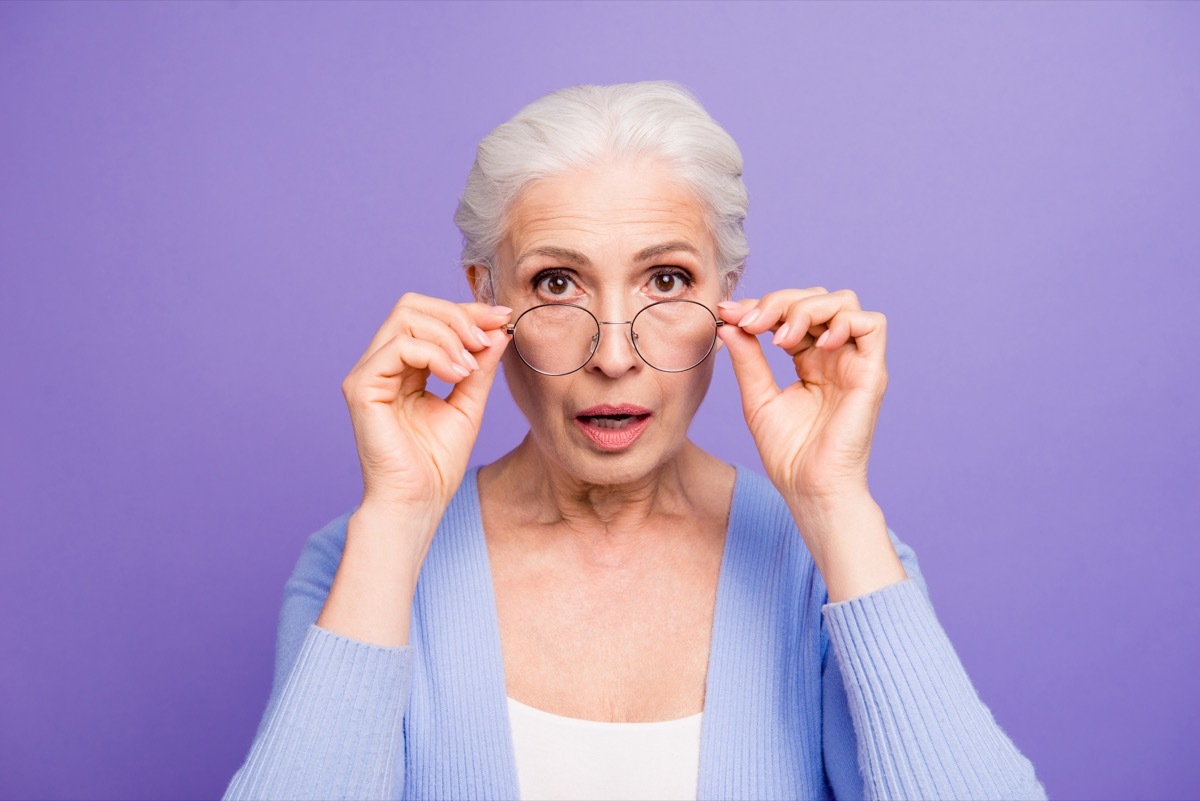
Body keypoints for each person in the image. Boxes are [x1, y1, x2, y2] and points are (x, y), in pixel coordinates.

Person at [224, 82, 1046, 801]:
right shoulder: (354, 566)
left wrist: (835, 507)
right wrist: (398, 519)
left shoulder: (838, 568)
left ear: (728, 296)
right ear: (483, 300)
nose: (614, 355)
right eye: (556, 282)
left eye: (667, 281)